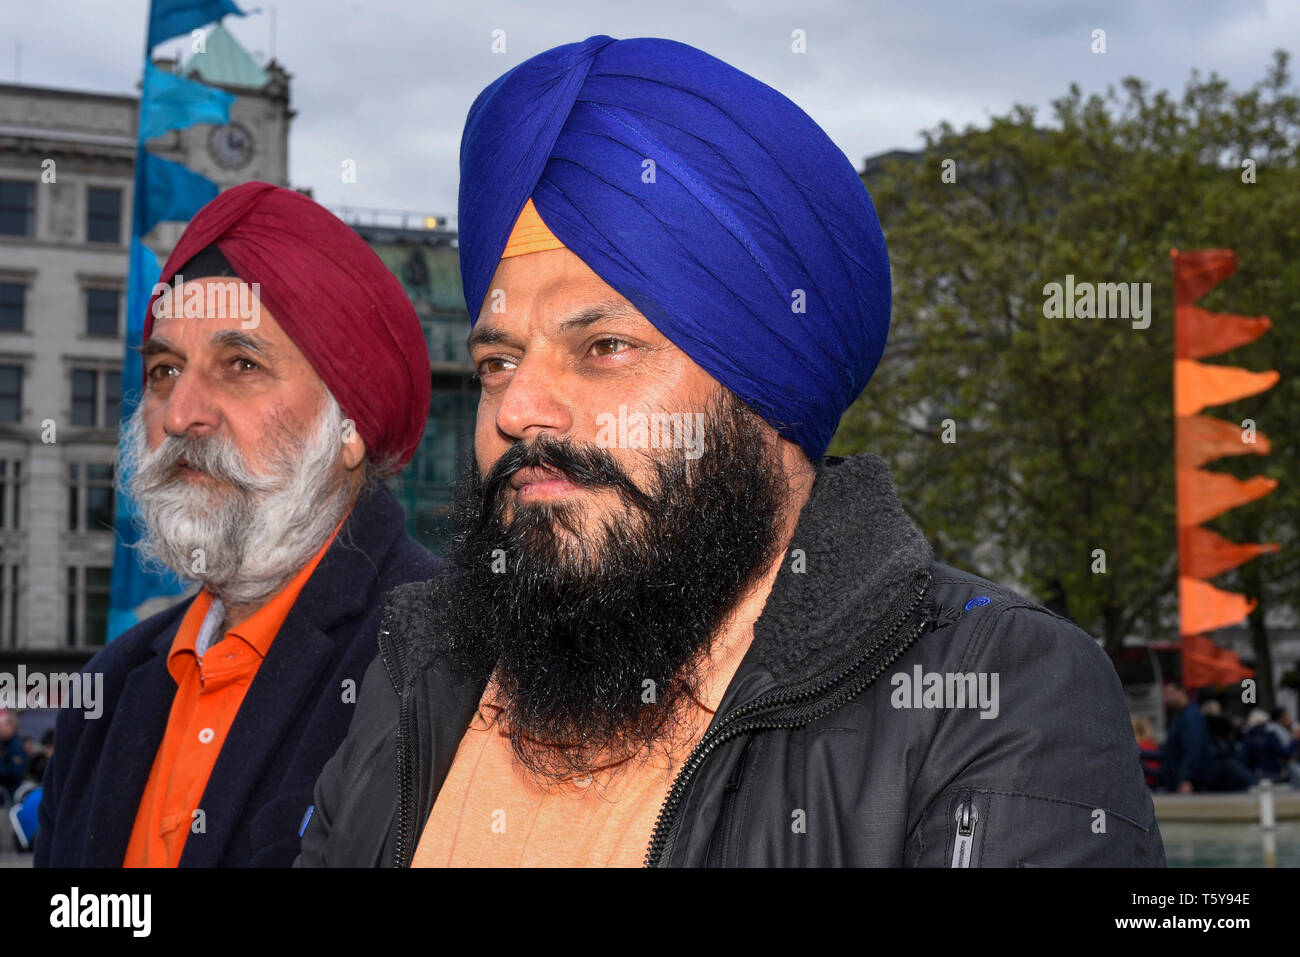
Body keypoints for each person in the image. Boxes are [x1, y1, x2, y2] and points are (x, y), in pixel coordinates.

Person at [299, 36, 1164, 868]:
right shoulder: (417, 677)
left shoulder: (997, 697)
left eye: (604, 348)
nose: (519, 409)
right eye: (496, 362)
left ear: (767, 390)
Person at [36, 183, 438, 867]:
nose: (182, 412)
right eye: (164, 370)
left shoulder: (441, 662)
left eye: (241, 365)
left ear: (350, 427)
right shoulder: (110, 683)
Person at [0, 710, 27, 800]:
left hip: (9, 796)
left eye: (1, 725)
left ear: (11, 727)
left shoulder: (16, 747)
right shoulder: (5, 744)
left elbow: (16, 773)